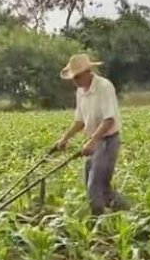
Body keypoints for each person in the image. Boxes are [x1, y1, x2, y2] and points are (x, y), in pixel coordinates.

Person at [54, 53, 130, 216]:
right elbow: (80, 121)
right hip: (94, 141)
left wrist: (92, 141)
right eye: (73, 78)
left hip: (108, 141)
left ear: (88, 71)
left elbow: (109, 119)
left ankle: (99, 225)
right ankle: (129, 213)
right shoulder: (80, 91)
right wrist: (65, 138)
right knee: (100, 188)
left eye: (78, 77)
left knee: (94, 189)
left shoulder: (104, 87)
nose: (75, 81)